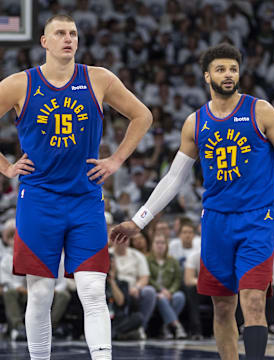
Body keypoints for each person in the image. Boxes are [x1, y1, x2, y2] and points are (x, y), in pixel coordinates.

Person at [111, 43, 274, 360]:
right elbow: (175, 178)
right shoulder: (195, 122)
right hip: (216, 220)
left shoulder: (260, 111)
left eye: (233, 68)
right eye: (221, 69)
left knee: (254, 300)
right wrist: (139, 220)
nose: (228, 74)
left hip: (258, 217)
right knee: (221, 307)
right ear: (207, 76)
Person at [0, 14, 152, 360]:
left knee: (92, 289)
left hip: (85, 200)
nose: (68, 38)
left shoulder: (97, 79)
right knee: (39, 294)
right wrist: (6, 167)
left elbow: (143, 116)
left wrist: (115, 160)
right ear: (44, 42)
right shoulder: (19, 84)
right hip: (38, 200)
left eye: (73, 33)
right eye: (60, 33)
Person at [147, 233, 187, 339]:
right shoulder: (147, 260)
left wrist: (171, 291)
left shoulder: (172, 261)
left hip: (170, 292)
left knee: (180, 296)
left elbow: (177, 279)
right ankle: (176, 326)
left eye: (163, 243)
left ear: (167, 245)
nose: (160, 245)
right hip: (155, 292)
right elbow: (148, 278)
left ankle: (166, 326)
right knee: (161, 299)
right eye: (157, 243)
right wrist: (161, 290)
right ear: (152, 245)